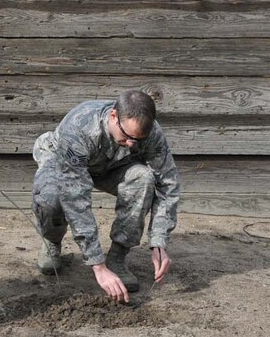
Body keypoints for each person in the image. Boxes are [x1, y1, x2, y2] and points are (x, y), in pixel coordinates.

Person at [31, 90, 180, 303]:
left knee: (143, 179)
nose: (132, 144)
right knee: (51, 195)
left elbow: (168, 184)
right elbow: (75, 197)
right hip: (63, 161)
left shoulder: (150, 133)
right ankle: (51, 240)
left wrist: (159, 241)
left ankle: (118, 257)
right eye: (128, 137)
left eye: (138, 140)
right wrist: (97, 265)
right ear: (113, 116)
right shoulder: (78, 128)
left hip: (112, 165)